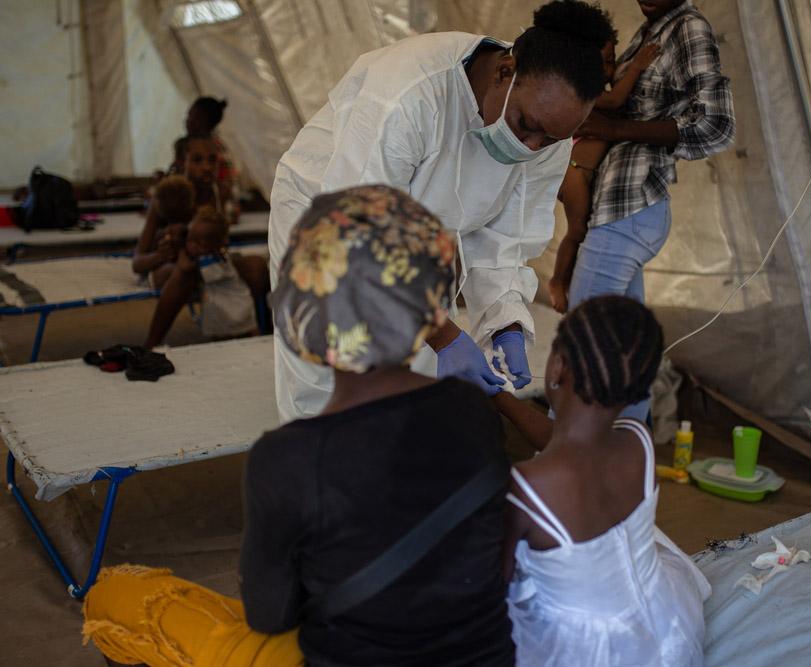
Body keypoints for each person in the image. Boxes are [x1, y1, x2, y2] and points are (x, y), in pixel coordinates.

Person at [82, 186, 514, 666]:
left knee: (115, 595)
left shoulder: (286, 458)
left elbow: (269, 616)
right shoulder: (471, 410)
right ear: (429, 307)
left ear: (303, 312)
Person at [268, 0, 616, 423]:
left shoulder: (548, 129)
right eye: (527, 124)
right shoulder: (408, 95)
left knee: (416, 376)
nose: (532, 147)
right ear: (506, 71)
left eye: (551, 139)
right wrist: (447, 336)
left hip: (422, 235)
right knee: (330, 373)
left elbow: (505, 241)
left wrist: (504, 320)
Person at [493, 295, 711, 666]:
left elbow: (495, 581)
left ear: (558, 366)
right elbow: (566, 443)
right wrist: (501, 397)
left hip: (588, 654)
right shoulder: (637, 440)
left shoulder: (527, 487)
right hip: (666, 627)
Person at [568, 0, 736, 421]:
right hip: (621, 205)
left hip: (632, 203)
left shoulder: (687, 29)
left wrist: (616, 129)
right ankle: (629, 451)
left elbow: (716, 126)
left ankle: (566, 459)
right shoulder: (651, 32)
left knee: (582, 337)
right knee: (625, 345)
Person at [547, 37, 660, 313]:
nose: (609, 70)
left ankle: (568, 278)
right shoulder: (587, 92)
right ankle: (557, 281)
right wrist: (635, 67)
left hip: (582, 175)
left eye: (612, 61)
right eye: (603, 63)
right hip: (574, 174)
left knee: (581, 232)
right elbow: (616, 98)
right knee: (577, 231)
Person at [142, 205, 267, 348]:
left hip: (234, 310)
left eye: (200, 243)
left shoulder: (214, 261)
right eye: (190, 240)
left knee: (236, 335)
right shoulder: (206, 252)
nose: (194, 246)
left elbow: (187, 267)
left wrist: (182, 254)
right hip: (229, 311)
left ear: (219, 245)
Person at [132, 175, 196, 287]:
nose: (206, 168)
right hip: (167, 267)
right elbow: (137, 264)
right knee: (170, 272)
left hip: (184, 264)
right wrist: (161, 255)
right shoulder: (162, 231)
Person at [185, 96, 240, 223]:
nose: (187, 121)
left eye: (192, 116)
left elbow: (224, 189)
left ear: (203, 120)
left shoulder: (211, 149)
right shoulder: (215, 145)